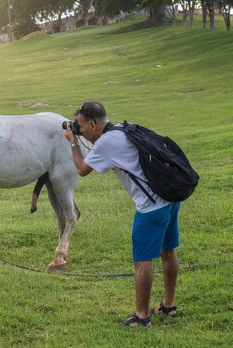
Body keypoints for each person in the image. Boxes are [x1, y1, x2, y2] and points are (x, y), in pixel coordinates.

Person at [64, 101, 181, 327]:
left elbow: (82, 169)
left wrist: (73, 143)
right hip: (169, 199)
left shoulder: (106, 143)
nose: (80, 130)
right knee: (168, 251)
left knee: (142, 261)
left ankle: (142, 316)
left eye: (81, 126)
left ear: (94, 123)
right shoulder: (126, 128)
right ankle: (168, 305)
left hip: (150, 208)